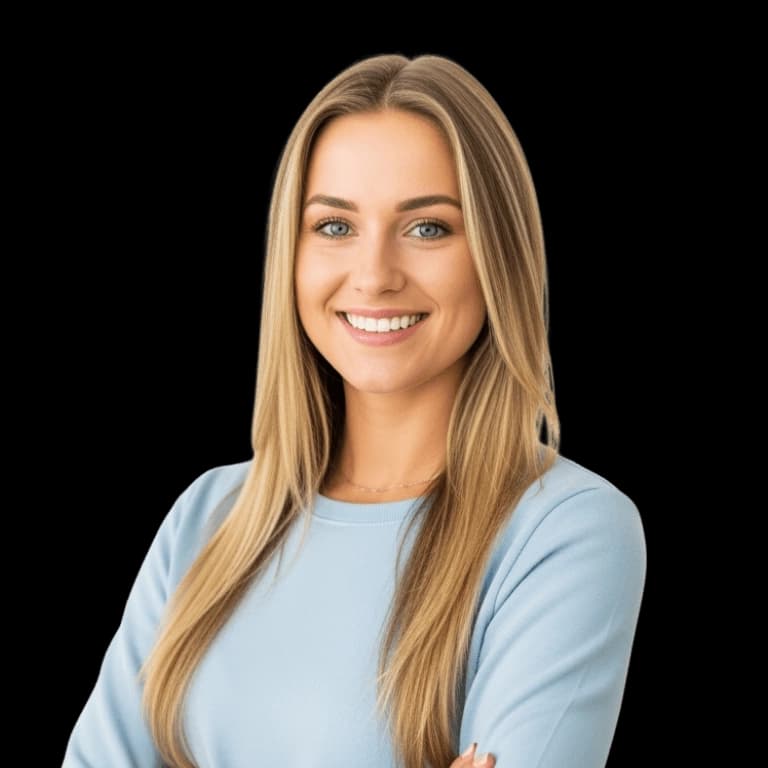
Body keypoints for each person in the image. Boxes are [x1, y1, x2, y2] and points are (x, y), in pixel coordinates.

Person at [63, 53, 647, 768]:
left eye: (428, 227)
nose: (374, 274)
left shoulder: (564, 530)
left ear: (498, 255)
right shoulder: (208, 517)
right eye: (335, 227)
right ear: (293, 253)